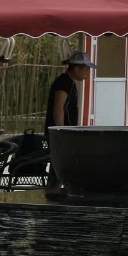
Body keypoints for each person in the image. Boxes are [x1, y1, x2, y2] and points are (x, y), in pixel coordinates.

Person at [44, 50, 95, 185]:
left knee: (61, 167)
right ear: (76, 69)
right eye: (86, 70)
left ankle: (56, 191)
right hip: (59, 134)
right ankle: (53, 192)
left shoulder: (70, 83)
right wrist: (61, 132)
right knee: (58, 167)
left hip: (64, 133)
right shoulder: (63, 83)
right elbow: (58, 107)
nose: (87, 73)